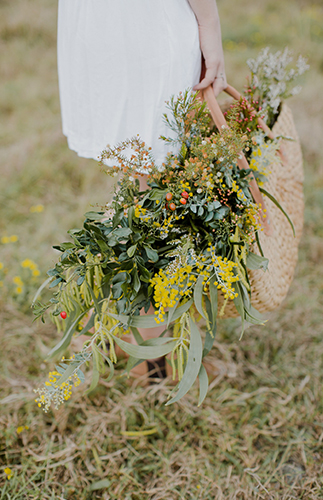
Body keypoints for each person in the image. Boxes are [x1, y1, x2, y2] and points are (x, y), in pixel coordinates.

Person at [57, 0, 227, 378]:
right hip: (145, 22)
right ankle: (147, 348)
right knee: (155, 175)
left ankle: (115, 327)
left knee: (138, 173)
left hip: (99, 20)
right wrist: (209, 24)